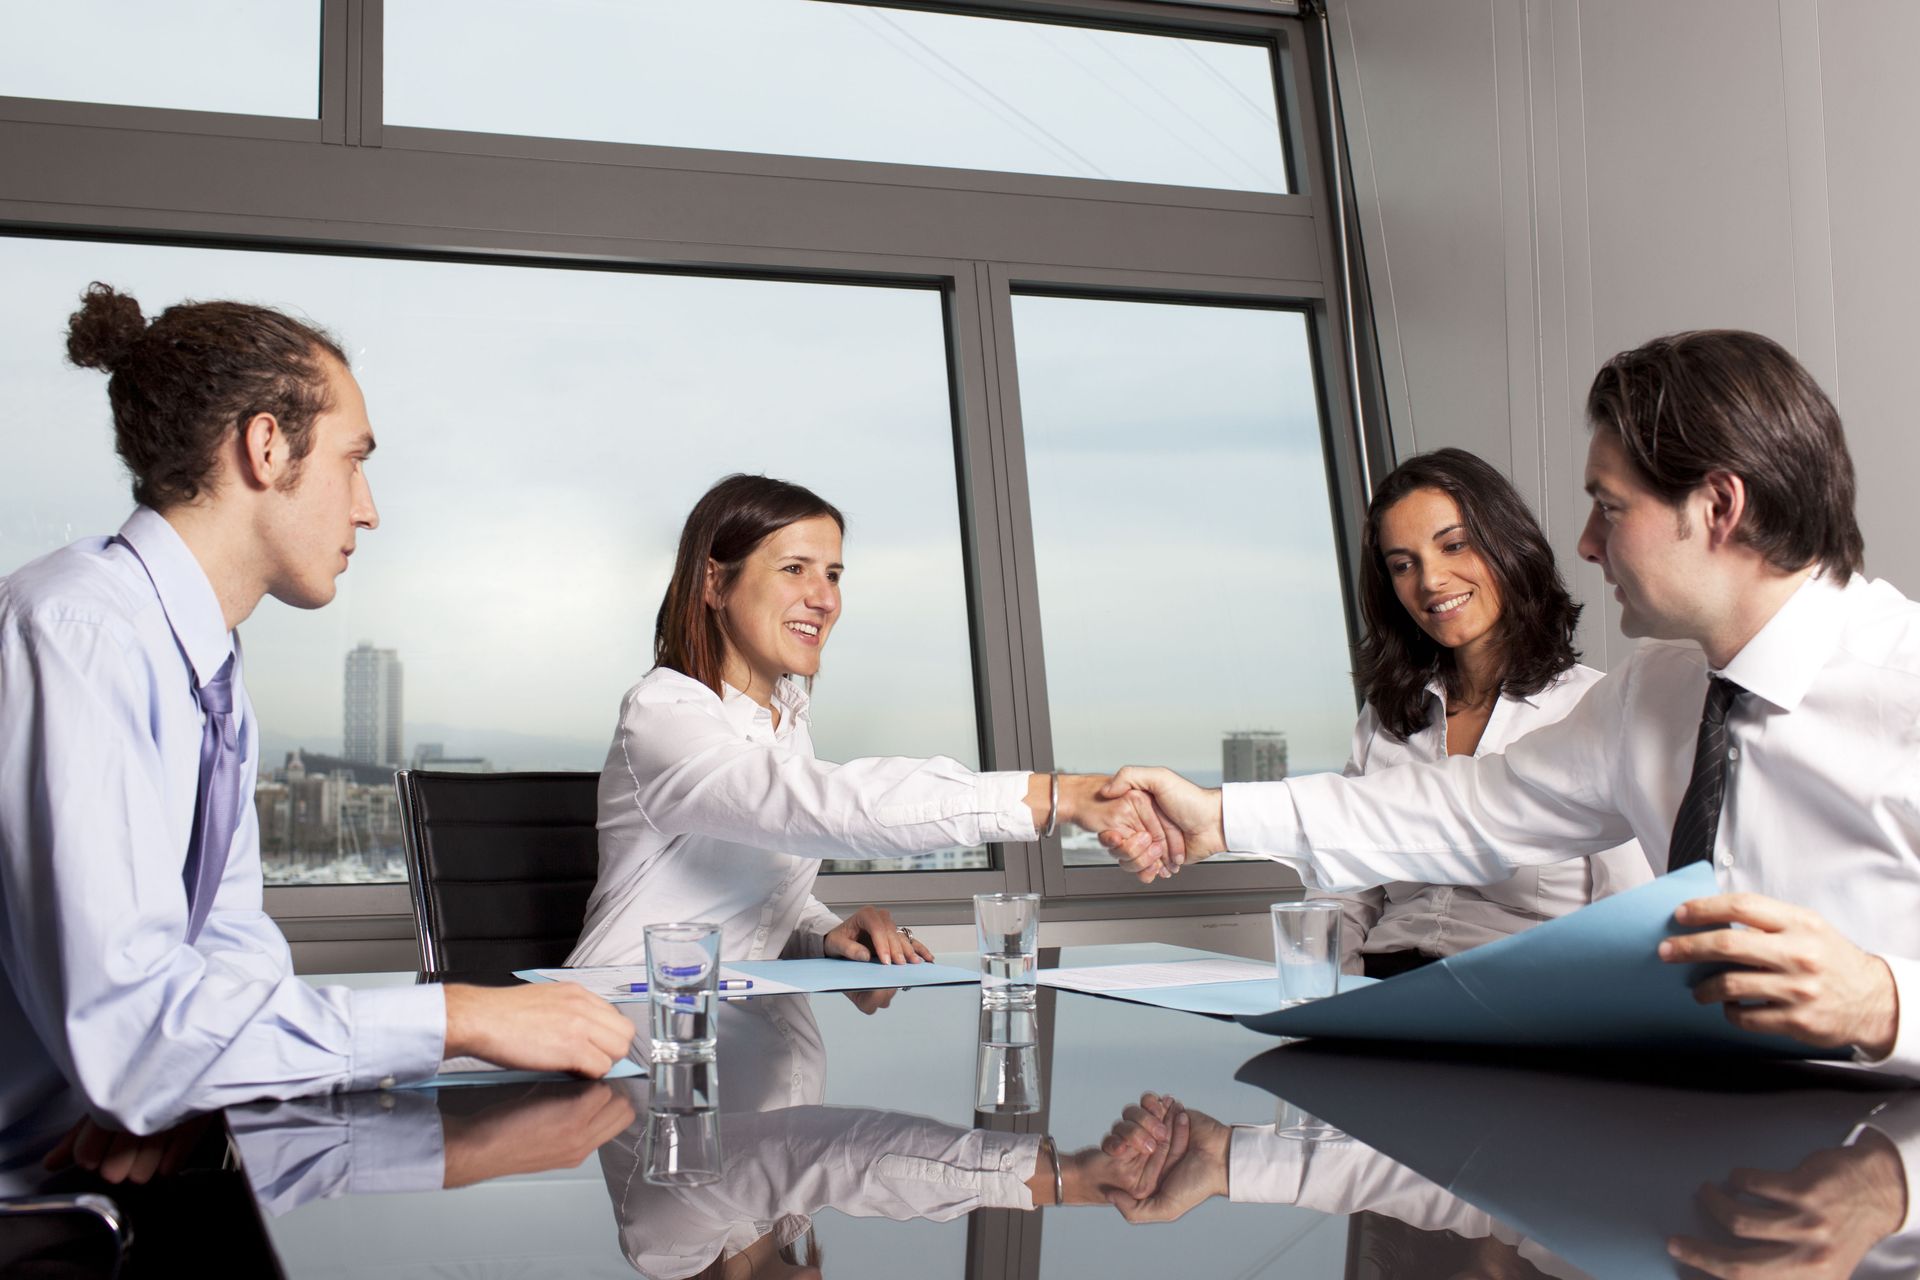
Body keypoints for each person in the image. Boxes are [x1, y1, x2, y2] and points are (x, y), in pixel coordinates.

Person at [1100, 330, 1917, 1075]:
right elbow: (1464, 812)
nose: (1589, 543)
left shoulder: (1903, 685)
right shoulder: (1654, 690)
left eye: (1610, 506)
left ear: (1719, 506)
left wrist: (1885, 1004)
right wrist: (1218, 817)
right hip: (1706, 1149)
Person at [0, 284, 636, 1152]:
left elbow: (229, 949)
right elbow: (134, 1030)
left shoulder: (208, 668)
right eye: (353, 461)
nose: (367, 508)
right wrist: (455, 1018)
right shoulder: (77, 635)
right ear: (267, 446)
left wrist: (171, 1093)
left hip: (90, 1144)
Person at [570, 474, 1166, 968]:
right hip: (621, 1035)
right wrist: (1058, 794)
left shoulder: (785, 724)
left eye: (832, 574)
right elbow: (814, 806)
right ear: (713, 582)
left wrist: (822, 930)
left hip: (734, 1034)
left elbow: (738, 878)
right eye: (794, 569)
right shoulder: (664, 714)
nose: (824, 599)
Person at [1313, 448, 1646, 977]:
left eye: (1454, 546)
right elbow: (1342, 890)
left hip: (1526, 998)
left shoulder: (1592, 706)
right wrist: (1321, 995)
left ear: (1506, 545)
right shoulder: (1387, 715)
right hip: (1387, 989)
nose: (1431, 580)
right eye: (1403, 565)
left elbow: (1628, 912)